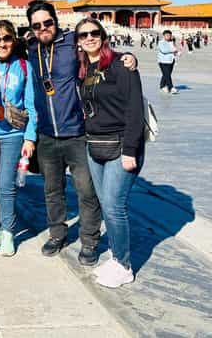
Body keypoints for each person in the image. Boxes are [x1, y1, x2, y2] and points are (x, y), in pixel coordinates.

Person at [25, 0, 137, 265]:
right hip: (46, 134)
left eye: (47, 22)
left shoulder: (72, 43)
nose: (43, 28)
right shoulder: (31, 48)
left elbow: (100, 51)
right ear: (31, 28)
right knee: (52, 191)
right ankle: (57, 234)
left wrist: (128, 57)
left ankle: (89, 240)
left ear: (56, 21)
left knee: (86, 191)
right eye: (37, 25)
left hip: (77, 133)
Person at [75, 18, 144, 288]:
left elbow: (135, 110)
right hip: (95, 144)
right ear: (78, 41)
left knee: (115, 207)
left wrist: (130, 150)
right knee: (106, 204)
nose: (89, 38)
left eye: (94, 33)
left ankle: (124, 264)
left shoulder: (120, 65)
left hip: (119, 145)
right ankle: (116, 258)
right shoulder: (86, 69)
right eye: (84, 35)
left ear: (103, 36)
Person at [0, 20, 37, 257]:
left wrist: (30, 138)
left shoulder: (24, 67)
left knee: (5, 185)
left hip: (13, 133)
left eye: (6, 39)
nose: (1, 44)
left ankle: (8, 231)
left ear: (14, 40)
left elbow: (31, 104)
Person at [157, 30, 179, 94]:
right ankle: (171, 87)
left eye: (169, 35)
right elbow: (164, 50)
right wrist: (173, 50)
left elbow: (175, 50)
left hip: (171, 60)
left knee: (166, 74)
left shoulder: (172, 42)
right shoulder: (161, 42)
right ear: (164, 36)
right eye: (166, 35)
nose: (168, 36)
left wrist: (177, 53)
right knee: (167, 74)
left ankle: (162, 86)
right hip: (163, 61)